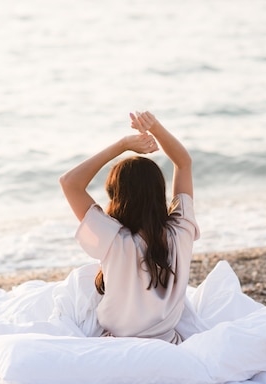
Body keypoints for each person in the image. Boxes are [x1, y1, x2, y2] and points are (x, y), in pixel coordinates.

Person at [59, 111, 199, 344]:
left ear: (116, 196)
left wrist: (123, 145)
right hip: (170, 345)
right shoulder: (181, 231)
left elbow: (69, 182)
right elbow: (183, 163)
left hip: (117, 348)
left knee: (80, 281)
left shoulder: (113, 239)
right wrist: (155, 127)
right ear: (159, 192)